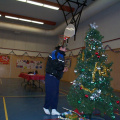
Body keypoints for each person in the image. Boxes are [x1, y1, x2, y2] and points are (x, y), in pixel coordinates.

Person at [43, 45, 68, 115]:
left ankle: (54, 109)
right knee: (50, 92)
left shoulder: (61, 55)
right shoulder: (54, 53)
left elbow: (59, 65)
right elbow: (54, 64)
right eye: (65, 49)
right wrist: (62, 68)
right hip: (50, 76)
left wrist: (64, 68)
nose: (66, 50)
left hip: (56, 76)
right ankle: (46, 107)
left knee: (55, 93)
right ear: (61, 48)